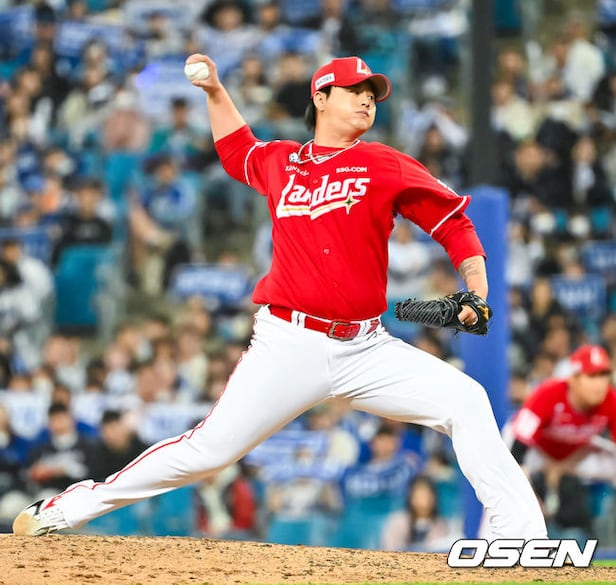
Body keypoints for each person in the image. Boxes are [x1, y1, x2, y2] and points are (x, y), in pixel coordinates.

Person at [13, 54, 547, 542]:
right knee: (208, 452)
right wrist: (216, 91)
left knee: (467, 401)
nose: (367, 100)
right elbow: (235, 150)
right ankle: (68, 508)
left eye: (372, 94)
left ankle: (519, 539)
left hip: (366, 347)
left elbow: (454, 224)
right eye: (355, 90)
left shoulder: (385, 164)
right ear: (321, 97)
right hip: (289, 343)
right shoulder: (281, 160)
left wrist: (476, 290)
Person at [507, 344, 616, 540]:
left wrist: (561, 467)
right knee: (504, 481)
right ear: (573, 379)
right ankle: (492, 542)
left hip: (575, 454)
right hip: (534, 451)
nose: (600, 383)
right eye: (592, 376)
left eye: (604, 375)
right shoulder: (549, 393)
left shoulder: (610, 400)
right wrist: (529, 496)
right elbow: (517, 449)